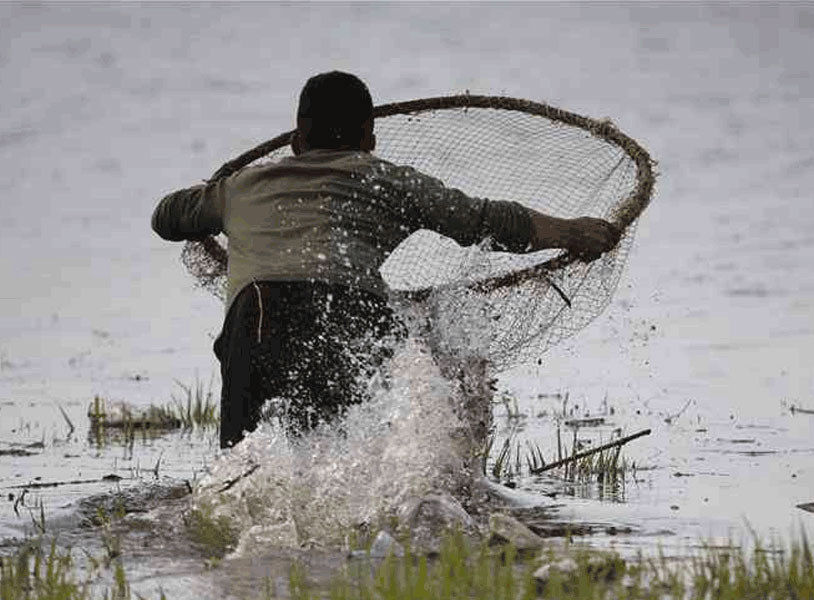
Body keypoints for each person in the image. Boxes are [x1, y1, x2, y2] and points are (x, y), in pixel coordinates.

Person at [152, 71, 622, 449]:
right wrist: (570, 232)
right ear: (370, 139)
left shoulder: (240, 187)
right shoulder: (389, 180)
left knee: (238, 461)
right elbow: (484, 221)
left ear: (295, 142)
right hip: (350, 311)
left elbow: (166, 216)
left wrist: (214, 191)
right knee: (346, 455)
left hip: (258, 313)